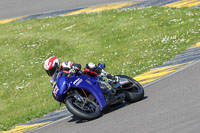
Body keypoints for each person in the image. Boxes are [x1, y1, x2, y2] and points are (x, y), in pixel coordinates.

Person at [44, 56, 119, 85]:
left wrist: (73, 70)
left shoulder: (65, 64)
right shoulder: (54, 77)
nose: (51, 72)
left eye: (51, 70)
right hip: (73, 85)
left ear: (56, 64)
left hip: (82, 77)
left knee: (90, 65)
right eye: (49, 72)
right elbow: (54, 85)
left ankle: (111, 77)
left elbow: (77, 65)